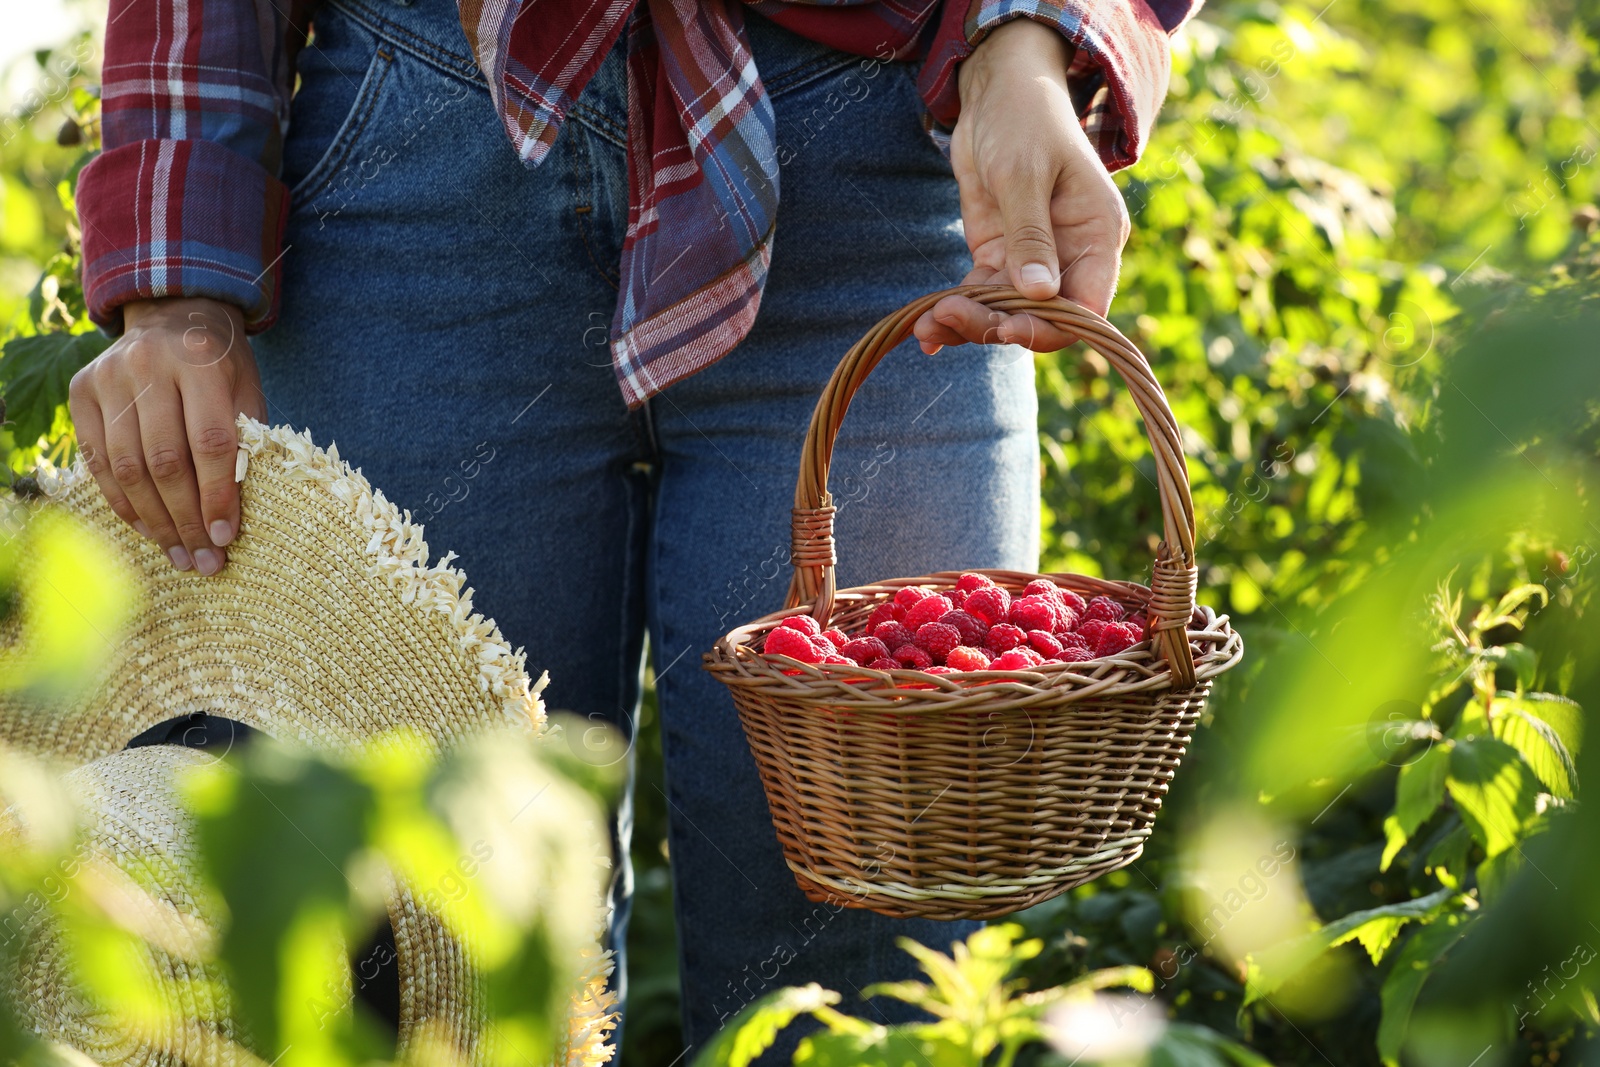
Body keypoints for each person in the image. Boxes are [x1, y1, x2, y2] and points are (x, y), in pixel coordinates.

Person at [67, 0, 1194, 1055]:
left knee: (869, 962)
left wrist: (1029, 31)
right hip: (411, 167)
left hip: (875, 142)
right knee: (427, 952)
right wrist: (176, 278)